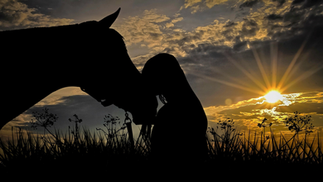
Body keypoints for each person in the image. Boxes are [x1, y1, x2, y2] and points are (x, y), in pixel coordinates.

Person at [142, 53, 208, 166]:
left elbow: (159, 158)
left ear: (162, 77)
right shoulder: (192, 106)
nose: (146, 83)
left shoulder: (168, 113)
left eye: (149, 77)